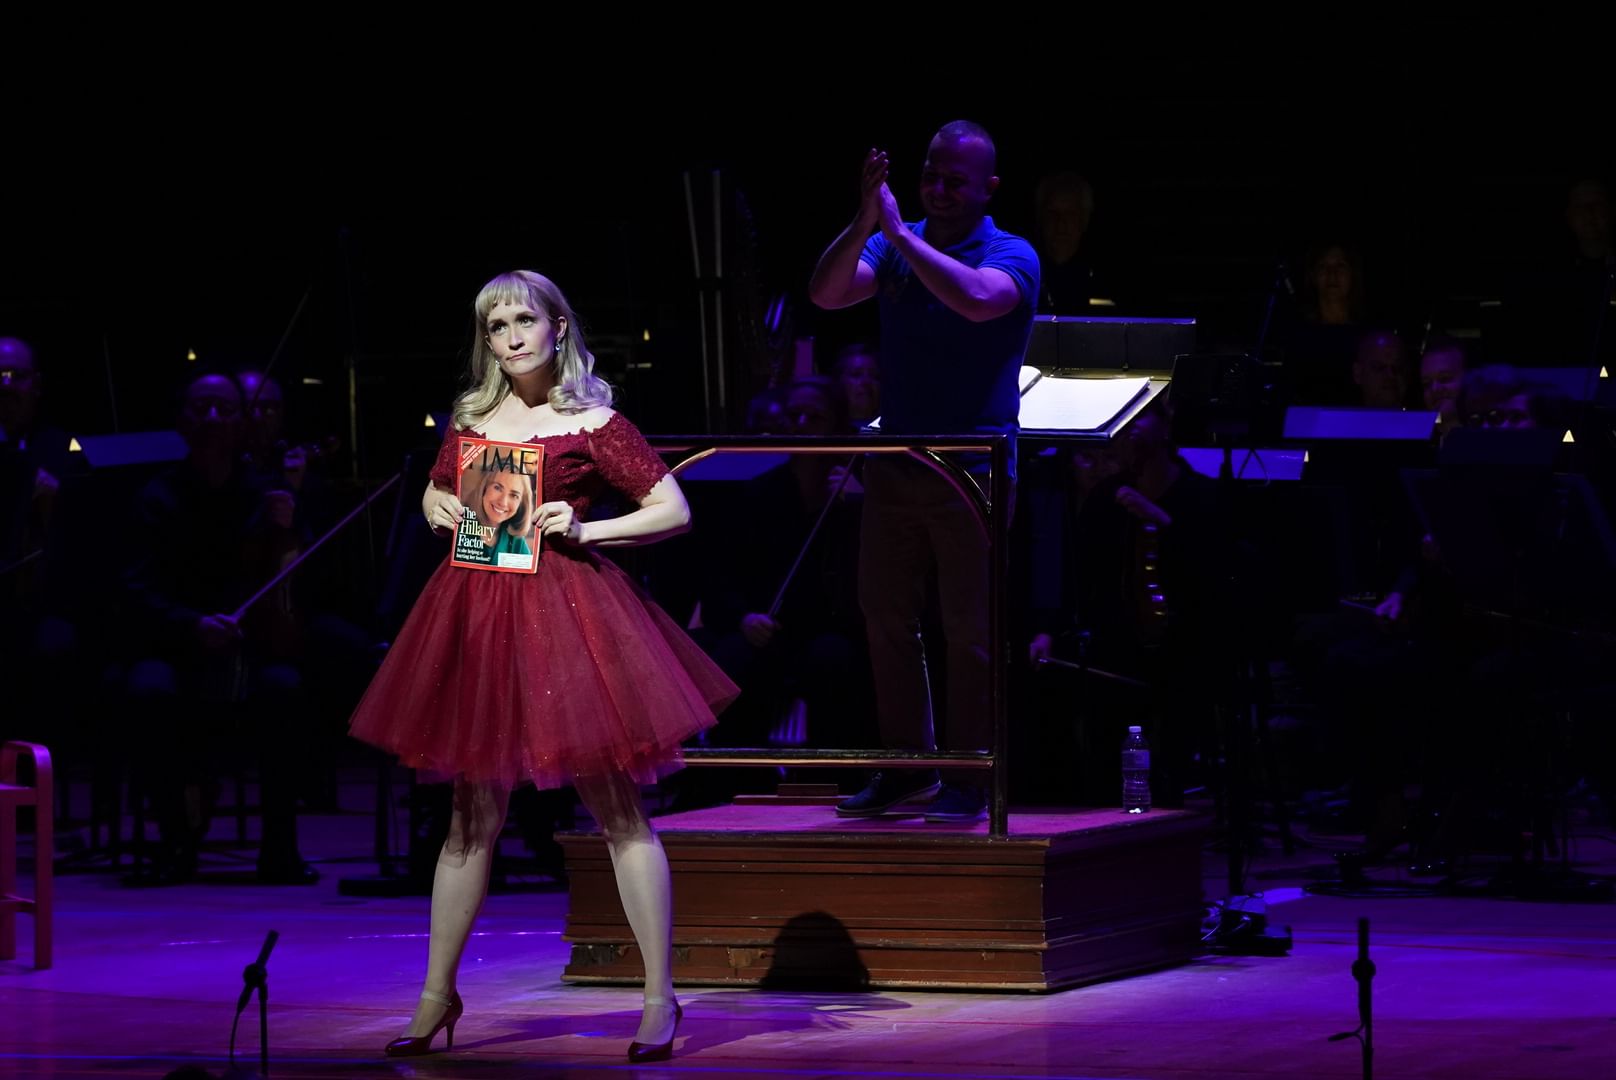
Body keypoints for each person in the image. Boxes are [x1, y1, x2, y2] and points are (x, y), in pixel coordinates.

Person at [348, 270, 737, 1063]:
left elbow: (673, 508)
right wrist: (439, 507)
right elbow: (434, 489)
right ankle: (435, 997)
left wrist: (587, 530)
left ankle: (659, 998)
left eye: (526, 319)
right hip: (478, 613)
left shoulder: (593, 420)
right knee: (469, 817)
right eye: (497, 325)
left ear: (559, 326)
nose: (512, 336)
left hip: (567, 617)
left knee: (617, 809)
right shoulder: (471, 416)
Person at [809, 120, 1039, 822]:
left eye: (955, 180)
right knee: (885, 618)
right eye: (930, 176)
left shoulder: (1011, 251)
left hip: (971, 467)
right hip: (898, 460)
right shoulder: (891, 243)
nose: (938, 190)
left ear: (988, 188)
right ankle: (909, 768)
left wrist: (904, 236)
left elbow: (978, 300)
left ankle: (969, 776)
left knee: (966, 628)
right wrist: (863, 220)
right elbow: (826, 292)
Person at [459, 458, 536, 558]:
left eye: (514, 495)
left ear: (521, 504)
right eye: (497, 488)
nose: (503, 502)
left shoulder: (517, 543)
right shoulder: (459, 525)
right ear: (484, 488)